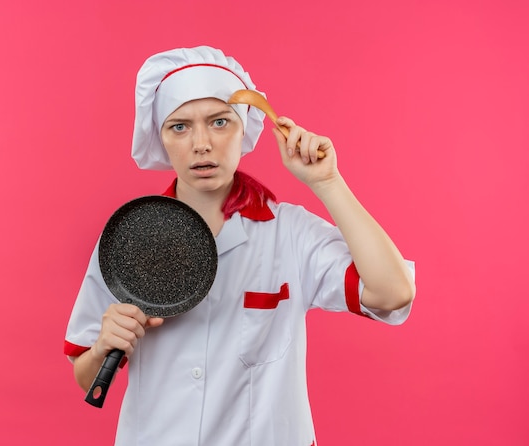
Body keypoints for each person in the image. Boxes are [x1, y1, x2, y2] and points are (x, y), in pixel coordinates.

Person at [64, 45, 415, 445]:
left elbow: (394, 292)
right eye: (179, 126)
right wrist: (104, 346)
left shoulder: (290, 233)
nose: (201, 144)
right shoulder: (130, 237)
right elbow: (86, 374)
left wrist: (327, 183)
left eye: (219, 122)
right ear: (160, 137)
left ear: (244, 126)